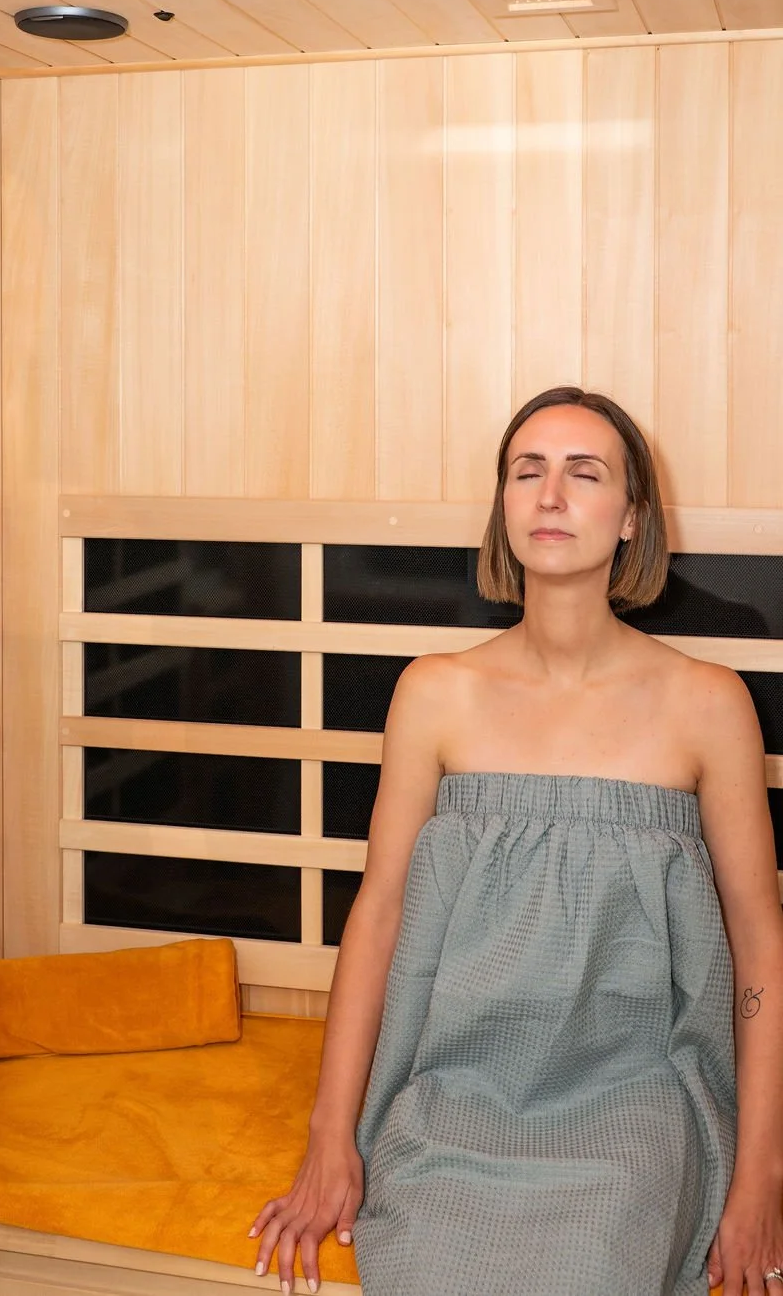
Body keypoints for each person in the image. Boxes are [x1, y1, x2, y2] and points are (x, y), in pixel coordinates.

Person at [247, 386, 783, 1296]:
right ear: (503, 504)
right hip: (457, 1088)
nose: (550, 493)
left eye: (585, 473)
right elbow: (377, 917)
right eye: (526, 470)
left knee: (595, 1266)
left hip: (636, 1100)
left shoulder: (707, 703)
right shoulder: (435, 694)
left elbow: (759, 943)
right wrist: (328, 1137)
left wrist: (760, 1175)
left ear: (631, 517)